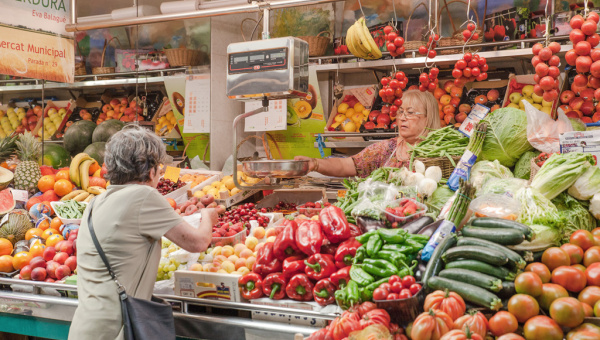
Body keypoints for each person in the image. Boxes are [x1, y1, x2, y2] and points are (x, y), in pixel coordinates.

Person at [68, 125, 217, 340]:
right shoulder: (143, 196)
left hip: (86, 327)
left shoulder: (96, 201)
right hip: (118, 329)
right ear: (151, 171)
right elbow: (199, 242)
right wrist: (207, 216)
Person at [296, 90, 441, 178]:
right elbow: (346, 165)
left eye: (410, 113)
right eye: (401, 112)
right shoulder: (386, 149)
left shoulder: (441, 152)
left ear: (428, 118)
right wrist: (315, 164)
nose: (402, 118)